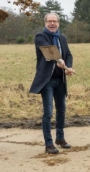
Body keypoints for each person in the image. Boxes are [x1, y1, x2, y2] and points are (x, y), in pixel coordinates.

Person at [29, 13, 74, 154]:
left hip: (60, 79)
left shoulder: (62, 38)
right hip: (47, 81)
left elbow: (68, 55)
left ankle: (60, 138)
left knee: (61, 110)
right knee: (48, 113)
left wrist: (68, 66)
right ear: (45, 23)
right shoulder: (40, 36)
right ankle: (48, 144)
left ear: (58, 23)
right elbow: (50, 52)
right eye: (50, 21)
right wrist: (59, 61)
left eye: (55, 21)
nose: (52, 24)